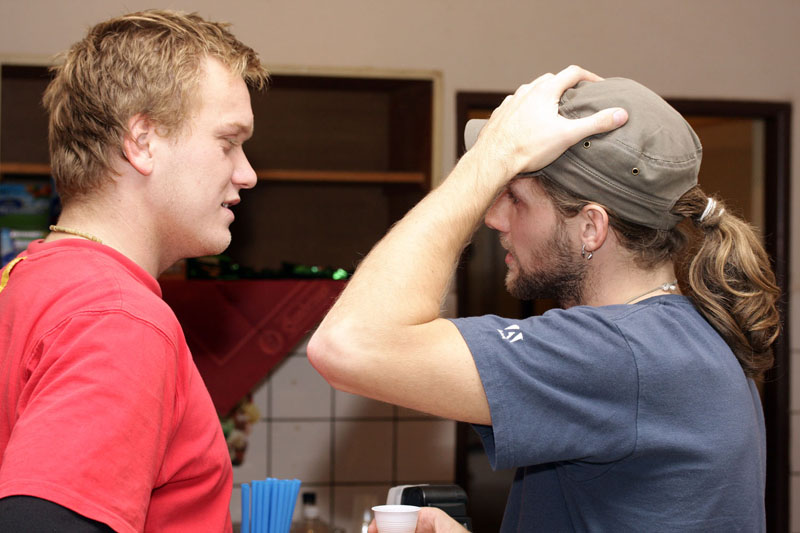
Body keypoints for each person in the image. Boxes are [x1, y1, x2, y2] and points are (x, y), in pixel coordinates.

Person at [308, 66, 780, 531]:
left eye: (515, 197)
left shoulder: (616, 352)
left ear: (591, 227)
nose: (493, 218)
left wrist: (489, 159)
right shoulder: (680, 336)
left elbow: (348, 346)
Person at [0, 10, 268, 532]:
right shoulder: (119, 318)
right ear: (142, 141)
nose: (247, 173)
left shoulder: (28, 278)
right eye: (227, 142)